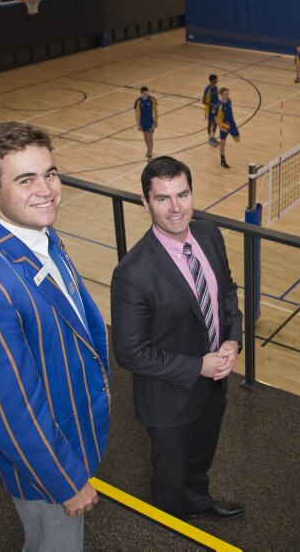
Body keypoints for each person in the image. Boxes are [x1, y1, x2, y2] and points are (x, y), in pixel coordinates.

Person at [0, 122, 110, 551]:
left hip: (68, 434)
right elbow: (9, 406)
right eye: (25, 179)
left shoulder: (39, 234)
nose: (46, 189)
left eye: (49, 174)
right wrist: (66, 480)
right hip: (46, 464)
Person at [111, 156, 244, 521]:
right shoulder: (132, 272)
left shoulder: (209, 234)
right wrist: (197, 365)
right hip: (168, 394)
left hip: (213, 383)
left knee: (201, 457)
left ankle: (198, 499)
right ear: (145, 202)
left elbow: (226, 293)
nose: (175, 208)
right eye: (163, 198)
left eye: (182, 195)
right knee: (169, 476)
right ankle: (171, 529)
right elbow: (129, 352)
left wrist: (232, 340)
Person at [215, 87, 240, 169]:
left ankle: (231, 134)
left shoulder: (229, 101)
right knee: (223, 143)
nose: (227, 95)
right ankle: (222, 160)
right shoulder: (219, 106)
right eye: (225, 94)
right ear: (221, 95)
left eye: (228, 94)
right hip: (224, 126)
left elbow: (228, 99)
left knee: (237, 139)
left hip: (232, 124)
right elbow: (216, 118)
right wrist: (221, 128)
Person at [135, 86, 158, 160]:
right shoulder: (138, 101)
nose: (146, 95)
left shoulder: (152, 99)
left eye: (147, 93)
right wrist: (138, 124)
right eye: (144, 94)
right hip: (143, 122)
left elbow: (155, 111)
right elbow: (137, 114)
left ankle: (150, 153)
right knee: (145, 138)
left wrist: (156, 121)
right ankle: (149, 149)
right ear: (141, 93)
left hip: (150, 122)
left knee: (150, 137)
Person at [202, 74, 220, 146]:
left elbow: (218, 95)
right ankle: (209, 139)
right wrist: (212, 105)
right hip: (209, 110)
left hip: (216, 109)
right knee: (210, 124)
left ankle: (213, 137)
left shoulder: (215, 88)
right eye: (216, 79)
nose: (217, 80)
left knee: (216, 123)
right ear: (212, 80)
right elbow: (203, 101)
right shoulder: (207, 89)